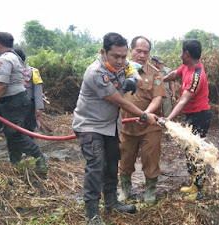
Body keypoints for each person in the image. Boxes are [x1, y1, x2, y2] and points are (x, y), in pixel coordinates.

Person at [72, 32, 157, 225]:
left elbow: (135, 72)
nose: (120, 61)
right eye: (115, 56)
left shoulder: (123, 64)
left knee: (111, 164)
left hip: (110, 126)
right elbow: (119, 101)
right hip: (90, 126)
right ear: (104, 52)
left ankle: (111, 201)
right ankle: (92, 214)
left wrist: (133, 79)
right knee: (95, 166)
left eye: (123, 56)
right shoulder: (96, 72)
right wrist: (144, 115)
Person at [118, 36, 166, 203]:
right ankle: (125, 189)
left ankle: (150, 191)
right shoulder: (119, 71)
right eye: (138, 51)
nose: (142, 55)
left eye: (146, 52)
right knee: (125, 159)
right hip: (126, 126)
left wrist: (145, 114)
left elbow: (157, 98)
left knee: (151, 157)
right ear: (131, 51)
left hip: (149, 126)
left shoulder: (155, 73)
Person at [162, 39, 211, 201]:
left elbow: (182, 101)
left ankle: (199, 190)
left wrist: (168, 119)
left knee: (195, 152)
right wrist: (161, 81)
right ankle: (193, 183)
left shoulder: (197, 76)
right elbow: (175, 74)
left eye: (182, 51)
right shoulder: (186, 67)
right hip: (192, 116)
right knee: (189, 150)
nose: (180, 54)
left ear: (187, 54)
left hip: (200, 117)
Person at [0, 32, 48, 171]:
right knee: (10, 133)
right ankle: (15, 162)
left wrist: (39, 107)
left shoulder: (5, 60)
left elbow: (1, 85)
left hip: (14, 101)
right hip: (14, 101)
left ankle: (40, 156)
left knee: (15, 134)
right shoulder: (14, 56)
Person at [14, 49, 44, 132]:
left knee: (28, 125)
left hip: (28, 104)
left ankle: (29, 141)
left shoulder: (33, 71)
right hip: (14, 103)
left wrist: (39, 107)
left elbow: (38, 91)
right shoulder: (10, 71)